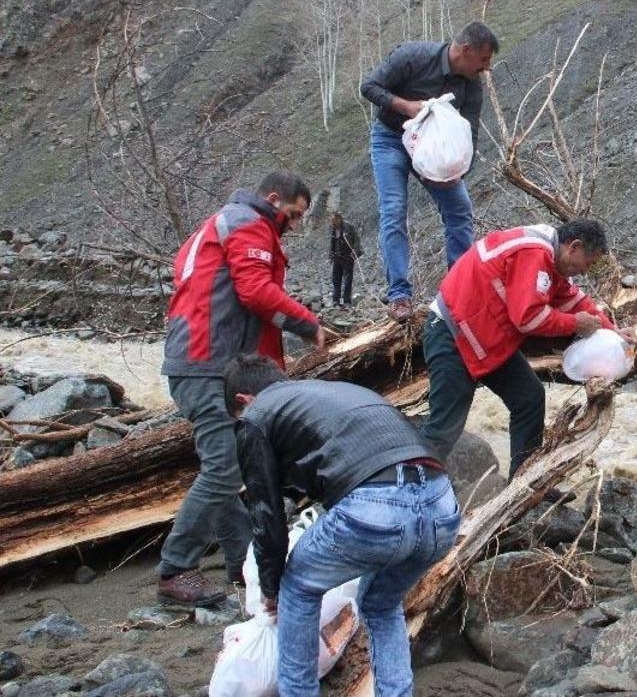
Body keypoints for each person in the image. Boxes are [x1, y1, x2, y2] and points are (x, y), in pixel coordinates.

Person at [225, 354, 457, 697]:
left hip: (377, 506)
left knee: (299, 586)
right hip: (442, 505)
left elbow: (266, 516)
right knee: (380, 603)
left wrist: (272, 588)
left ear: (243, 400)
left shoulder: (255, 417)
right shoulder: (328, 391)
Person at [157, 171, 324, 607]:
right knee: (223, 468)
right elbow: (255, 291)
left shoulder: (219, 223)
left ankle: (241, 561)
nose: (294, 224)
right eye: (294, 214)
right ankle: (176, 569)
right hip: (206, 361)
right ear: (273, 199)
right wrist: (307, 324)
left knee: (233, 465)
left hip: (202, 358)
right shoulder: (249, 223)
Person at [422, 219, 616, 477]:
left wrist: (614, 333)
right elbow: (528, 318)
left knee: (529, 398)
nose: (583, 271)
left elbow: (575, 300)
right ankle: (411, 487)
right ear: (574, 246)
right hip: (453, 334)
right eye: (587, 263)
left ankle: (524, 483)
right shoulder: (533, 253)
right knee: (445, 424)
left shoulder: (551, 258)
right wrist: (574, 324)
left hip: (483, 338)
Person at [360, 21, 499, 323]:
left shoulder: (472, 86)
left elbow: (470, 134)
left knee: (460, 208)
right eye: (484, 60)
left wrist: (457, 173)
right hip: (391, 139)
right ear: (466, 51)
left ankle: (460, 292)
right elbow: (368, 86)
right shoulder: (413, 56)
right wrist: (404, 106)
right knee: (394, 210)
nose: (486, 68)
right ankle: (399, 297)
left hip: (435, 151)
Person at [329, 212, 361, 307]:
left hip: (347, 257)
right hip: (337, 258)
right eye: (332, 221)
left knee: (347, 280)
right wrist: (331, 255)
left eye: (334, 220)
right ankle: (337, 301)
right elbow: (332, 243)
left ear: (339, 219)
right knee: (336, 280)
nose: (333, 223)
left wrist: (354, 253)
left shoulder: (348, 227)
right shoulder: (334, 229)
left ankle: (346, 301)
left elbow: (356, 239)